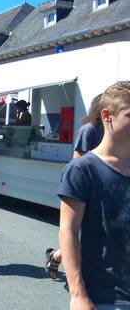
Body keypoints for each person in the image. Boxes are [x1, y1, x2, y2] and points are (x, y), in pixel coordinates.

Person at [58, 81, 130, 308]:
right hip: (107, 297)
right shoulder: (83, 169)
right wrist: (78, 294)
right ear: (107, 116)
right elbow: (68, 230)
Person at [45, 94, 104, 280]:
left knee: (92, 235)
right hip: (86, 190)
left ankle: (55, 256)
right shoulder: (90, 129)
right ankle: (61, 262)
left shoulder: (110, 131)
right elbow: (77, 161)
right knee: (78, 233)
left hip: (102, 189)